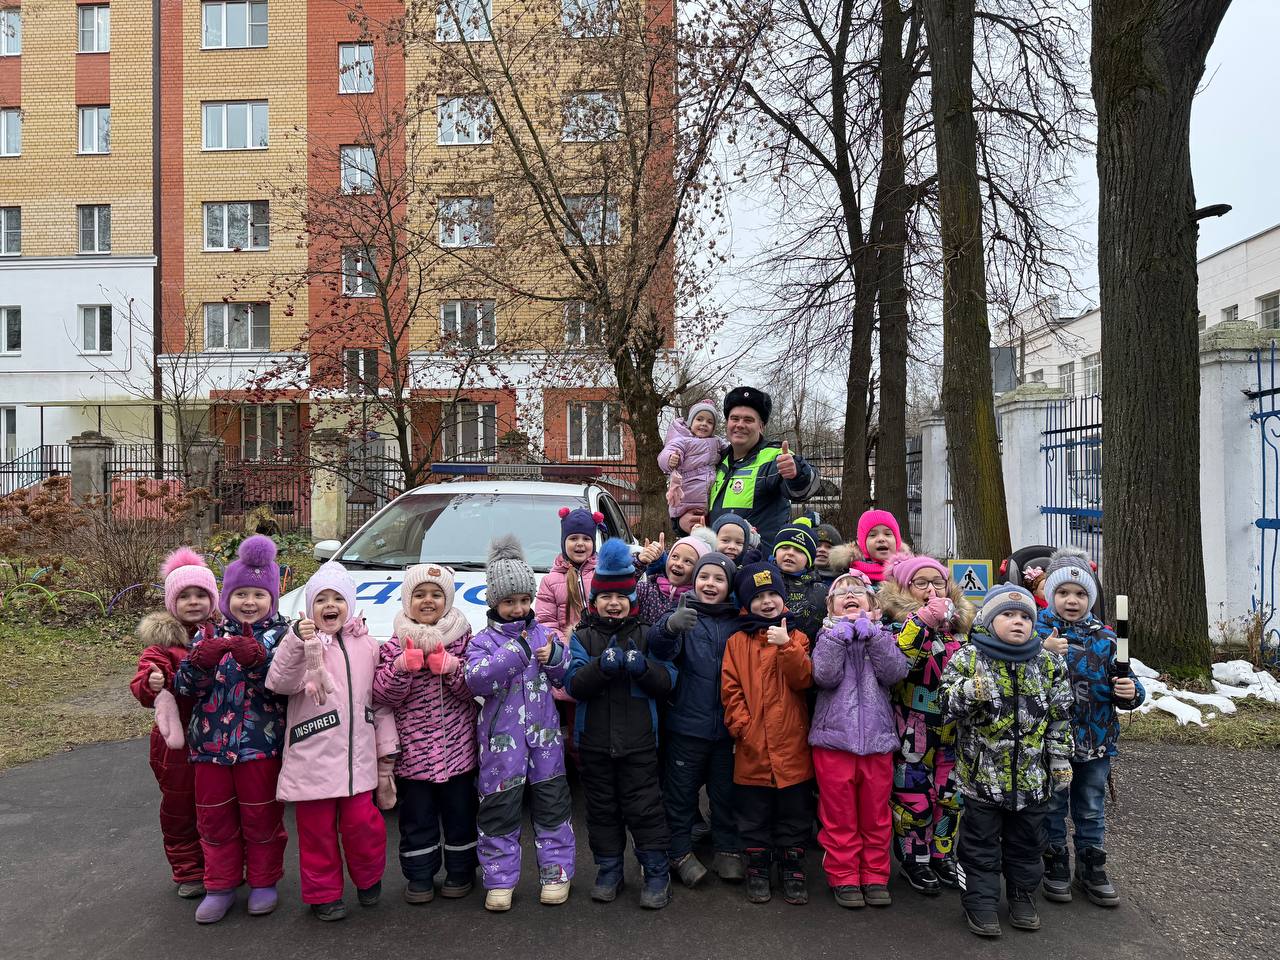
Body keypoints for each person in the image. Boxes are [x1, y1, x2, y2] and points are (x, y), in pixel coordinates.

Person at [940, 584, 1074, 938]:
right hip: (982, 780)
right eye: (1008, 615)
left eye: (1025, 617)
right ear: (988, 620)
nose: (1018, 622)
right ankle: (980, 901)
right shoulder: (968, 658)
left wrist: (1060, 758)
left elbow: (1060, 717)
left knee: (1028, 844)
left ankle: (1021, 895)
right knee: (979, 845)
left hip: (1032, 781)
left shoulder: (1048, 663)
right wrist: (969, 691)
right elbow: (944, 704)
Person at [266, 562, 396, 921]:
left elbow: (379, 703)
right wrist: (296, 641)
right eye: (321, 599)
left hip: (358, 762)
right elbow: (279, 682)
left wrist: (386, 750)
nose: (330, 605)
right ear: (311, 608)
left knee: (364, 826)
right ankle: (323, 894)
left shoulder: (367, 645)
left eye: (337, 598)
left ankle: (368, 879)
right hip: (312, 761)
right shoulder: (300, 645)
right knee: (316, 834)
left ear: (349, 604)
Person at [173, 535, 289, 924]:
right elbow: (184, 688)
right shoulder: (207, 634)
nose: (249, 602)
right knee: (214, 820)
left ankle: (263, 882)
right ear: (226, 598)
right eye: (241, 594)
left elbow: (284, 689)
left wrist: (258, 663)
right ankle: (219, 885)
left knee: (261, 819)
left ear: (272, 598)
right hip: (209, 748)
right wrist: (198, 665)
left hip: (260, 747)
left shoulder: (282, 636)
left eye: (258, 594)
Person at [465, 536, 575, 912]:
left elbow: (563, 676)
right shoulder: (482, 641)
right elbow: (476, 680)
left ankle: (556, 873)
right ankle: (499, 879)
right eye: (510, 601)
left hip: (545, 741)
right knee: (499, 809)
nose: (518, 609)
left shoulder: (543, 633)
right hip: (501, 744)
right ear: (494, 602)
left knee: (552, 805)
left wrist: (555, 655)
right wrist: (518, 651)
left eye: (525, 600)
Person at [565, 539, 676, 909]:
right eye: (605, 597)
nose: (613, 603)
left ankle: (656, 871)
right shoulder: (582, 637)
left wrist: (643, 668)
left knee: (645, 808)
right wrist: (601, 666)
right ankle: (609, 869)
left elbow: (667, 680)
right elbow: (573, 684)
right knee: (602, 811)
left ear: (632, 599)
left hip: (639, 742)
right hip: (594, 744)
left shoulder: (647, 634)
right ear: (593, 601)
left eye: (621, 597)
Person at [1035, 549, 1144, 907]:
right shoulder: (1035, 631)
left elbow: (1127, 681)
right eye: (1063, 592)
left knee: (1091, 806)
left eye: (1081, 594)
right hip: (1051, 742)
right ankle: (1054, 863)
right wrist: (1042, 650)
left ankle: (1091, 866)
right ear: (1050, 594)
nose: (1072, 600)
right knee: (1053, 804)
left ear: (1091, 598)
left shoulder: (1106, 638)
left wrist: (1129, 692)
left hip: (1096, 740)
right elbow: (1021, 675)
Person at [373, 562, 480, 905]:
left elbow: (476, 688)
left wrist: (453, 668)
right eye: (420, 594)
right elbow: (383, 695)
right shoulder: (395, 643)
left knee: (461, 815)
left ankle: (461, 871)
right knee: (416, 819)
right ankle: (419, 876)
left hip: (458, 752)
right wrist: (401, 667)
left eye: (436, 594)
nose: (428, 600)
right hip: (414, 754)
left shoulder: (464, 640)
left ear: (448, 600)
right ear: (408, 601)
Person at [810, 571, 909, 909]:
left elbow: (895, 673)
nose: (849, 596)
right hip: (833, 743)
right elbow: (824, 676)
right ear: (830, 607)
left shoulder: (882, 635)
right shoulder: (825, 636)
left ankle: (875, 875)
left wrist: (875, 637)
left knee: (876, 815)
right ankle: (844, 875)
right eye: (841, 593)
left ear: (873, 604)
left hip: (877, 742)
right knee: (839, 816)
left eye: (857, 592)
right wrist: (837, 637)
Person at [878, 554, 975, 894]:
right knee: (914, 799)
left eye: (938, 582)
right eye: (921, 583)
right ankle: (914, 857)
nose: (931, 589)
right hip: (912, 732)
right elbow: (898, 664)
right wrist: (922, 621)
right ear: (905, 588)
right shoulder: (894, 624)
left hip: (954, 731)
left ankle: (942, 854)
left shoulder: (962, 629)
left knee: (951, 797)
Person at [649, 552, 745, 887]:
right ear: (694, 581)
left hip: (726, 729)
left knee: (725, 793)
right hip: (686, 725)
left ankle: (727, 848)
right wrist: (669, 627)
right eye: (704, 577)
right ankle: (678, 851)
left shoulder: (737, 620)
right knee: (680, 794)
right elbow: (658, 648)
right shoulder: (683, 612)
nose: (710, 584)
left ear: (729, 585)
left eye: (719, 579)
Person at [129, 548, 220, 901]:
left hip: (217, 737)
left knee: (216, 806)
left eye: (201, 594)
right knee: (180, 810)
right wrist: (151, 683)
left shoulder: (222, 636)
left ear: (213, 600)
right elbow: (144, 681)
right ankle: (189, 870)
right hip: (176, 745)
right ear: (172, 602)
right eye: (184, 596)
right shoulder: (162, 646)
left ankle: (220, 865)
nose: (193, 602)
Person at [721, 561, 813, 905]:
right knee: (753, 813)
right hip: (752, 744)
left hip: (792, 743)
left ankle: (792, 866)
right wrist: (741, 725)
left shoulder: (798, 637)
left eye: (773, 594)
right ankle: (757, 866)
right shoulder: (737, 641)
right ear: (747, 603)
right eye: (759, 597)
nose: (767, 602)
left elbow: (803, 680)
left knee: (794, 813)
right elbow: (730, 688)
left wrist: (786, 646)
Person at [708, 387, 820, 551]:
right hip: (717, 563)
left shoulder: (776, 456)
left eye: (748, 420)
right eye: (735, 418)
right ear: (727, 423)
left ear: (761, 427)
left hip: (759, 563)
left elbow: (806, 488)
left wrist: (796, 474)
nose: (740, 425)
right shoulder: (716, 460)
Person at [661, 400, 726, 534]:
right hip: (688, 498)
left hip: (707, 499)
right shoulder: (683, 440)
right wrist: (670, 459)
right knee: (694, 534)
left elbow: (730, 450)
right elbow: (666, 453)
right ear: (690, 422)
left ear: (714, 428)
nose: (704, 424)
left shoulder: (717, 441)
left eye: (709, 422)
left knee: (707, 535)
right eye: (699, 419)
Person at [771, 519, 830, 643]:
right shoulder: (764, 581)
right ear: (775, 553)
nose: (790, 553)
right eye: (785, 547)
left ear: (808, 560)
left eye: (799, 551)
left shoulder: (822, 592)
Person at [635, 534, 709, 622]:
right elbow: (622, 590)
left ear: (699, 570)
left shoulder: (700, 603)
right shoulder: (647, 590)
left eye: (687, 561)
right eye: (674, 557)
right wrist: (638, 563)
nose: (678, 564)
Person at [852, 509, 910, 584]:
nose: (881, 539)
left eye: (887, 534)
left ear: (897, 540)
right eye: (873, 535)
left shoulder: (911, 572)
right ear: (863, 543)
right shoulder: (851, 576)